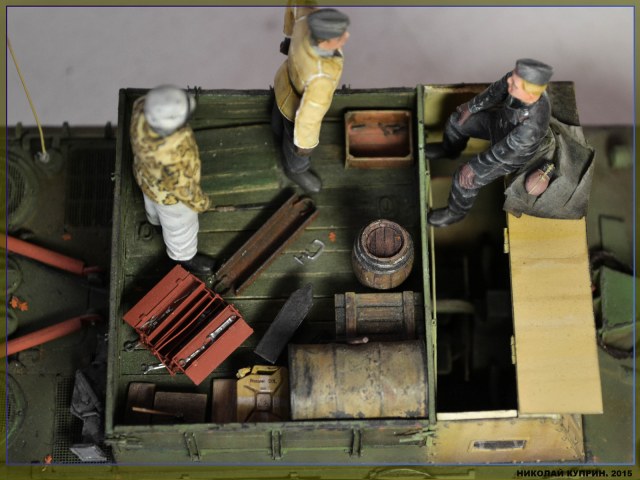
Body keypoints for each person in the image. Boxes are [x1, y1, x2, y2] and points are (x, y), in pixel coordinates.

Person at [426, 58, 555, 227]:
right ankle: (449, 150)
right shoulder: (516, 80)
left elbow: (505, 151)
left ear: (530, 95)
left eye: (514, 84)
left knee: (464, 179)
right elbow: (496, 91)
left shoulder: (533, 125)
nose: (510, 81)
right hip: (499, 124)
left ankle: (455, 213)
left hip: (508, 157)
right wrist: (471, 107)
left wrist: (474, 167)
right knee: (457, 122)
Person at [130, 85, 216, 275]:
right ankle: (184, 256)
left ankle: (155, 222)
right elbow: (184, 189)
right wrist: (201, 204)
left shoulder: (140, 107)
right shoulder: (171, 155)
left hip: (146, 177)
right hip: (171, 197)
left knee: (152, 207)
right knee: (181, 228)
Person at [272, 7, 350, 193]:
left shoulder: (304, 21)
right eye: (339, 36)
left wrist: (289, 39)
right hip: (295, 110)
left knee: (277, 117)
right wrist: (304, 146)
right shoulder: (321, 77)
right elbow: (309, 117)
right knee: (294, 144)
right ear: (323, 42)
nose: (346, 36)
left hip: (284, 81)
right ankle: (296, 170)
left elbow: (297, 5)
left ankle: (276, 129)